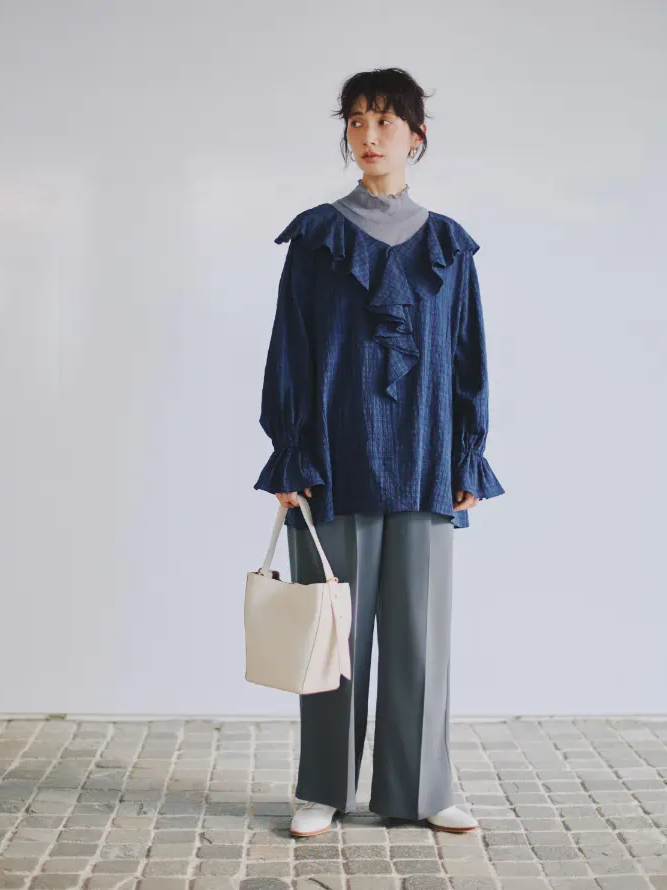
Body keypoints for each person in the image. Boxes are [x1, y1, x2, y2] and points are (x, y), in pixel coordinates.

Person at [253, 68, 505, 837]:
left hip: (426, 460)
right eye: (356, 121)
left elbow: (467, 354)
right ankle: (323, 790)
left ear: (416, 138)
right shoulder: (316, 237)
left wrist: (468, 454)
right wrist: (290, 454)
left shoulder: (447, 244)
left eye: (385, 122)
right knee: (331, 636)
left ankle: (421, 792)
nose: (368, 136)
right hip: (332, 462)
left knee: (419, 638)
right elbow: (290, 349)